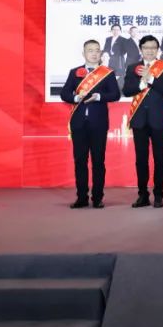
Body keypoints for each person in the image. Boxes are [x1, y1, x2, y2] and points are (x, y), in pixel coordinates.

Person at [59, 39, 121, 208]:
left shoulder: (107, 73)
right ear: (84, 53)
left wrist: (99, 97)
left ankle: (97, 198)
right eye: (90, 50)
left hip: (98, 123)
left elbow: (115, 94)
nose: (94, 53)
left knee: (98, 161)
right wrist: (75, 98)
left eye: (97, 50)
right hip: (78, 123)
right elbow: (64, 93)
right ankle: (81, 197)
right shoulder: (74, 72)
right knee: (80, 161)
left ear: (100, 53)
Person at [123, 35, 163, 208]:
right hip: (139, 120)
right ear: (141, 49)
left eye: (153, 48)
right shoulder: (133, 67)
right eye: (146, 47)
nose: (150, 51)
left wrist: (151, 78)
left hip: (158, 119)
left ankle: (159, 195)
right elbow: (127, 90)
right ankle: (142, 195)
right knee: (141, 159)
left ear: (158, 49)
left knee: (159, 158)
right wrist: (141, 84)